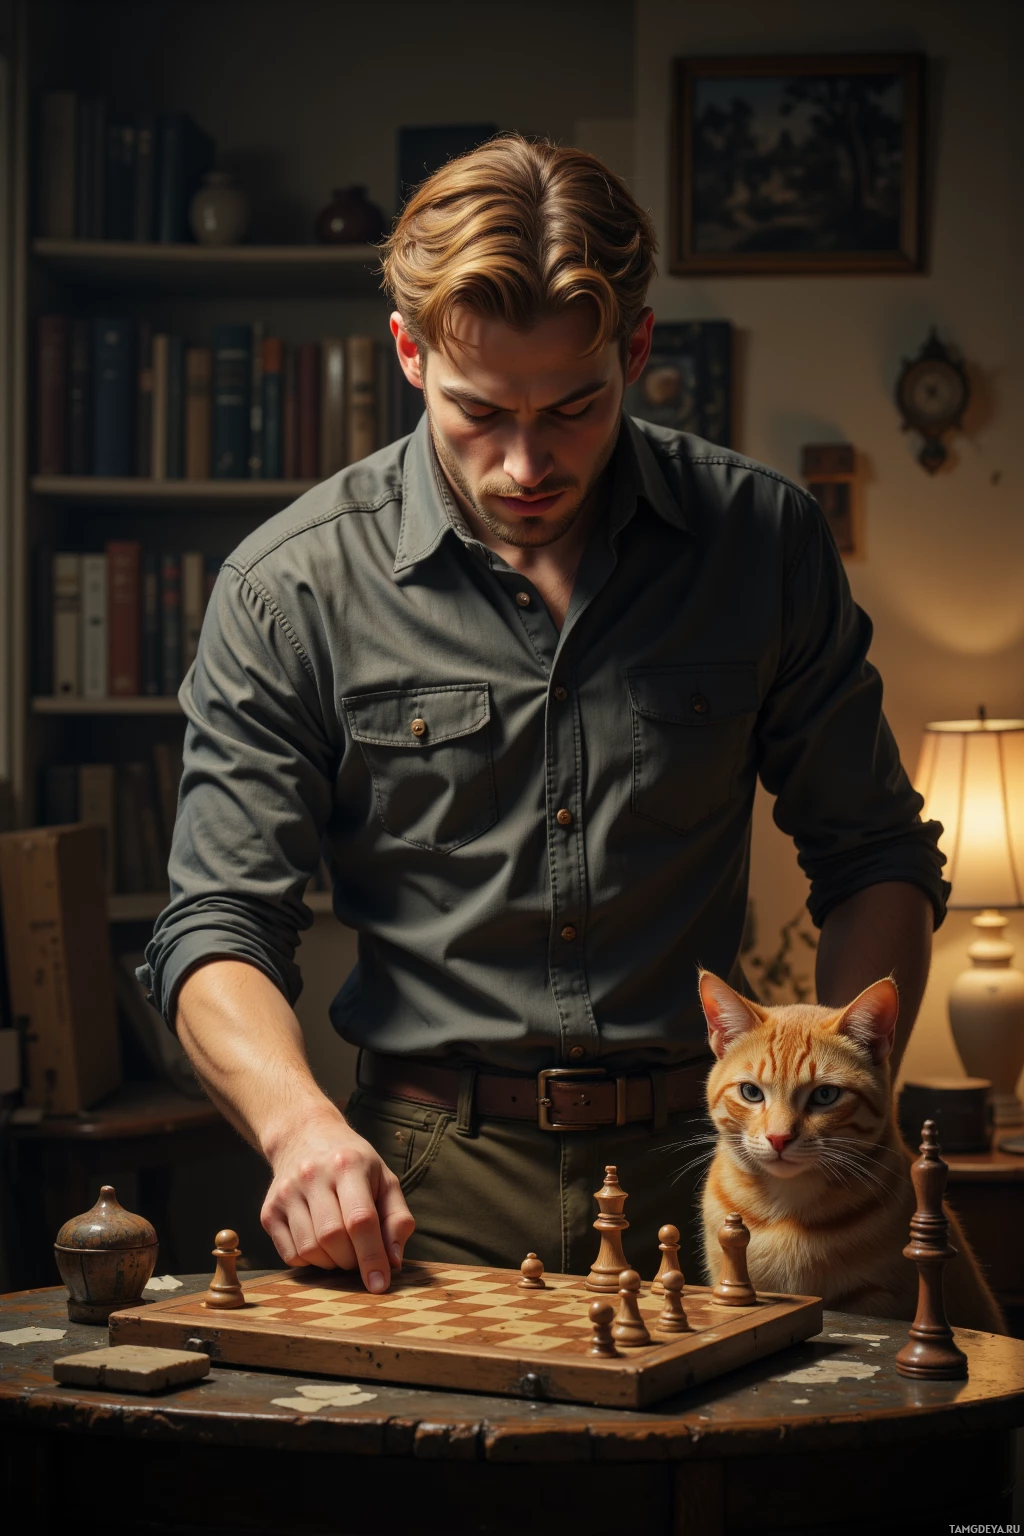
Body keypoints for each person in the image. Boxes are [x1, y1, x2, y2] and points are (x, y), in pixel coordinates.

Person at [139, 135, 947, 1296]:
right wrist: (295, 1126)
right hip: (424, 1180)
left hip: (716, 1170)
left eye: (574, 406)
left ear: (638, 349)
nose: (526, 463)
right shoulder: (287, 589)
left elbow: (872, 853)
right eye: (479, 413)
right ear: (409, 354)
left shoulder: (764, 541)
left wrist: (852, 1097)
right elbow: (215, 923)